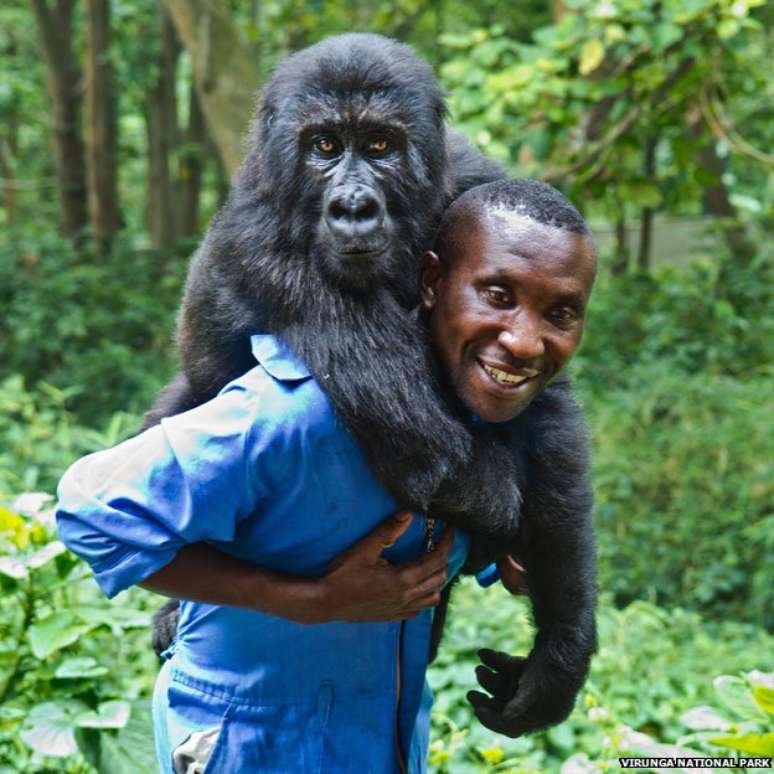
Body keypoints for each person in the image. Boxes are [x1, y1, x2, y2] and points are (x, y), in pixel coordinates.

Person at [56, 178, 596, 773]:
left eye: (560, 313)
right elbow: (93, 512)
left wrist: (514, 556)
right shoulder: (297, 412)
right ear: (431, 283)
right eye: (496, 294)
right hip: (250, 742)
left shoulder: (479, 411)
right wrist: (308, 600)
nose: (523, 341)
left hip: (381, 738)